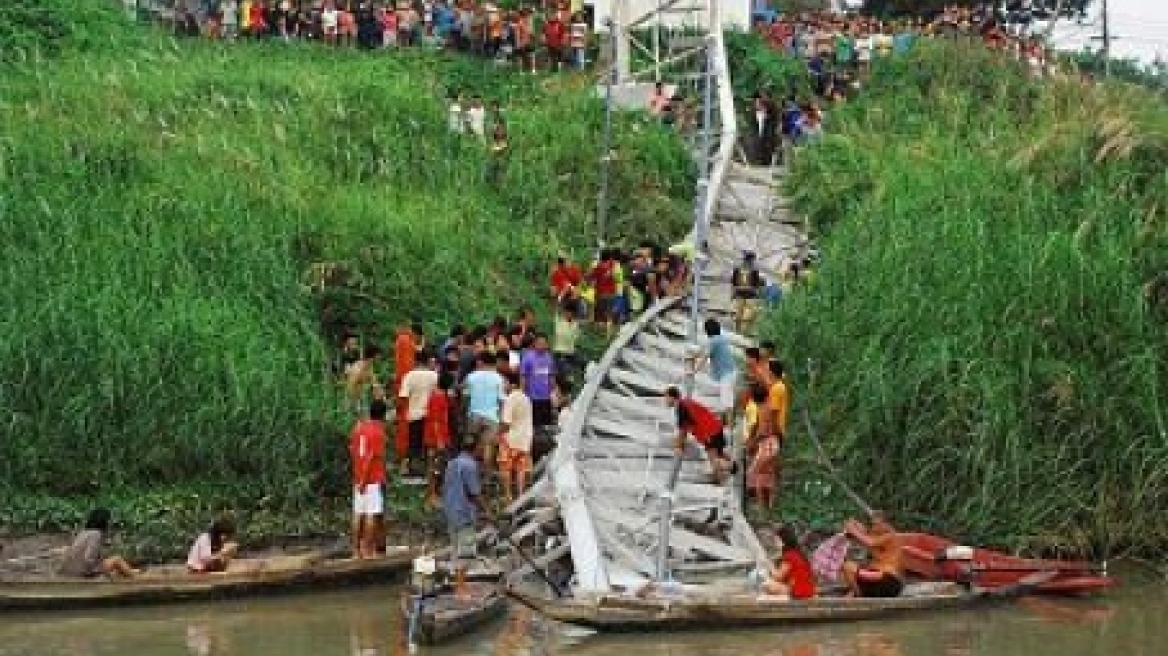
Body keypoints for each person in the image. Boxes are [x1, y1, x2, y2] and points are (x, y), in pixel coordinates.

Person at [442, 436, 490, 586]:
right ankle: (461, 589)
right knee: (465, 552)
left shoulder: (451, 463)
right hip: (464, 513)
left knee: (456, 549)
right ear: (475, 448)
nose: (482, 449)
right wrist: (488, 511)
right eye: (481, 446)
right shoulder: (470, 465)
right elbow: (474, 493)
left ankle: (459, 585)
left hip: (451, 511)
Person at [664, 386, 732, 484]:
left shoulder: (681, 408)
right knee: (720, 454)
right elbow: (685, 428)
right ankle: (734, 469)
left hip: (709, 432)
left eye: (665, 397)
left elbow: (683, 431)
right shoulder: (686, 402)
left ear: (671, 397)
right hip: (715, 427)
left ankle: (722, 482)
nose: (665, 400)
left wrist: (678, 447)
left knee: (714, 459)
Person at [349, 399, 388, 559]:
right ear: (383, 415)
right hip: (371, 479)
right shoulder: (378, 432)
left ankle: (356, 550)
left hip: (358, 477)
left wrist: (358, 472)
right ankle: (368, 551)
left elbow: (351, 448)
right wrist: (365, 480)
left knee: (358, 513)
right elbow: (371, 457)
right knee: (371, 514)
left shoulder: (359, 428)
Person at [58, 508, 138, 578]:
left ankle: (131, 572)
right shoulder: (96, 534)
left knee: (115, 569)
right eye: (109, 521)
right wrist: (100, 572)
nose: (110, 523)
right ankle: (137, 578)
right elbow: (88, 558)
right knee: (117, 559)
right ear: (103, 521)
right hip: (81, 571)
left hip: (68, 570)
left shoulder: (84, 532)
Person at [841, 512, 904, 598]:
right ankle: (857, 592)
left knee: (848, 567)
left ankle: (858, 595)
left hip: (889, 580)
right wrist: (855, 525)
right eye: (872, 524)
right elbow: (862, 534)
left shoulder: (890, 535)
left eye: (876, 524)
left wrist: (853, 529)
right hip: (875, 578)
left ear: (887, 525)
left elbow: (870, 542)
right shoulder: (875, 534)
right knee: (849, 569)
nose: (874, 527)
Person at [463, 351, 505, 476]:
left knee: (470, 446)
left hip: (473, 415)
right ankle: (485, 479)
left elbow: (466, 397)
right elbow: (501, 400)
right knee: (488, 446)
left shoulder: (471, 376)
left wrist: (465, 412)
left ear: (480, 362)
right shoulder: (499, 378)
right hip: (492, 417)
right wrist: (501, 418)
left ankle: (470, 474)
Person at [398, 351, 439, 477]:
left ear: (415, 361)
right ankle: (429, 471)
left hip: (414, 415)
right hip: (431, 416)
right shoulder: (434, 376)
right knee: (429, 445)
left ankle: (412, 470)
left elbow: (403, 397)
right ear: (427, 361)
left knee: (414, 444)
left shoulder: (409, 376)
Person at [498, 372, 533, 504]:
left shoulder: (510, 398)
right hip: (525, 439)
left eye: (505, 383)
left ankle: (508, 496)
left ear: (511, 384)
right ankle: (520, 496)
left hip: (511, 439)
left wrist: (499, 435)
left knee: (505, 467)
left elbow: (506, 422)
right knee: (521, 469)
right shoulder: (526, 398)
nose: (504, 385)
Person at [697, 318, 738, 423]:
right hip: (731, 372)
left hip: (727, 375)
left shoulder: (714, 341)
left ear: (707, 330)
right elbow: (704, 350)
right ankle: (726, 422)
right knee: (727, 399)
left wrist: (694, 371)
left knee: (727, 402)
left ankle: (729, 426)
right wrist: (695, 357)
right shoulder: (720, 338)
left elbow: (705, 356)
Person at [762, 524, 816, 599]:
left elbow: (778, 577)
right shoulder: (797, 553)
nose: (775, 542)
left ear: (783, 540)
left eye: (776, 539)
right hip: (808, 590)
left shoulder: (789, 556)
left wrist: (768, 567)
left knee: (767, 585)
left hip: (799, 592)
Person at [519, 332, 556, 433]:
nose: (542, 346)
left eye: (544, 343)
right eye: (539, 343)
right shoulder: (527, 357)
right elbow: (523, 376)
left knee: (545, 424)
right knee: (533, 425)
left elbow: (551, 376)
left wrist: (553, 393)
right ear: (534, 344)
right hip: (532, 397)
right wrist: (523, 394)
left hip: (546, 397)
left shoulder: (549, 358)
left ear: (547, 344)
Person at [731, 252, 765, 334]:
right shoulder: (740, 269)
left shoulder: (752, 270)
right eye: (752, 260)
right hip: (744, 294)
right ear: (750, 260)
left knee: (750, 311)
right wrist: (733, 293)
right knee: (741, 313)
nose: (753, 262)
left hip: (747, 294)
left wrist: (733, 292)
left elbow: (756, 284)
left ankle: (744, 330)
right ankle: (740, 331)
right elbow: (734, 282)